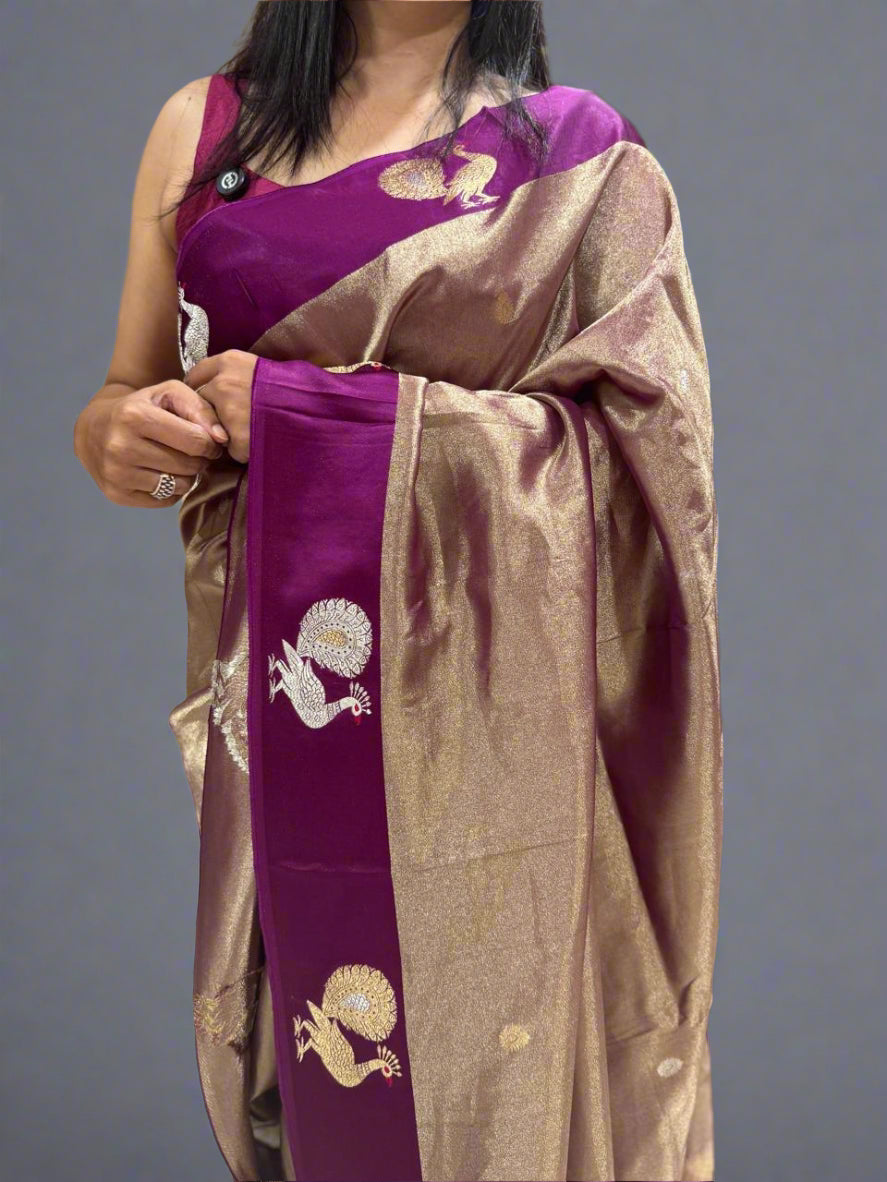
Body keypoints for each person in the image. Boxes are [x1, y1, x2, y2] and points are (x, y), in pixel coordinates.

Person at [73, 3, 723, 1180]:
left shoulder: (579, 161)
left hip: (503, 735)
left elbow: (651, 472)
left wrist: (313, 416)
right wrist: (125, 438)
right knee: (319, 1062)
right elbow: (128, 391)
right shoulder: (205, 131)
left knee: (502, 1050)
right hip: (292, 703)